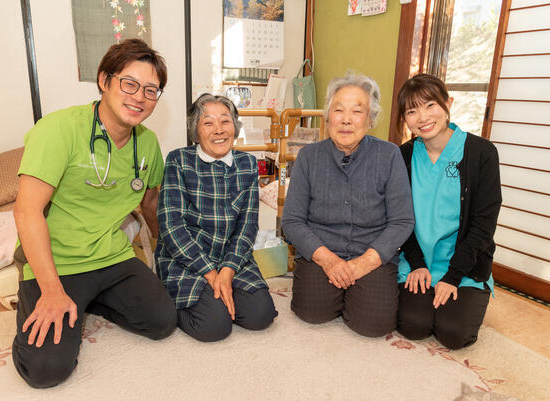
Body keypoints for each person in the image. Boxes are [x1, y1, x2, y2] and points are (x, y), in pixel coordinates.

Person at [12, 39, 177, 388]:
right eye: (129, 84)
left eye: (151, 90)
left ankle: (89, 301)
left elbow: (149, 205)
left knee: (162, 322)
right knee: (45, 370)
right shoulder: (59, 129)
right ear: (105, 80)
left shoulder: (147, 143)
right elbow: (27, 211)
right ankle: (55, 299)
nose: (139, 97)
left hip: (111, 256)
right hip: (57, 261)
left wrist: (169, 250)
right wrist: (52, 291)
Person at [281, 73, 415, 337]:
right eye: (338, 109)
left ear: (370, 118)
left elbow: (402, 221)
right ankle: (339, 290)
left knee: (373, 325)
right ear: (328, 116)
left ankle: (353, 292)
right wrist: (329, 260)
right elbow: (292, 221)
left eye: (357, 111)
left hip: (371, 252)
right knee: (311, 313)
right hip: (321, 252)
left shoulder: (389, 155)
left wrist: (363, 264)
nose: (346, 119)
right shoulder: (308, 157)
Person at [155, 93, 278, 342]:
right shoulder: (179, 161)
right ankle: (175, 302)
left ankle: (219, 297)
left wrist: (228, 270)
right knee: (214, 327)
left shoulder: (247, 163)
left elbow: (247, 225)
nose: (219, 130)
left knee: (261, 316)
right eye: (208, 123)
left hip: (231, 258)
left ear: (235, 126)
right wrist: (211, 273)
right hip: (186, 258)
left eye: (225, 121)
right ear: (195, 132)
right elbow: (171, 225)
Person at [395, 73, 501, 349]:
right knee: (413, 326)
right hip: (418, 261)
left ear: (448, 103)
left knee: (453, 333)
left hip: (464, 266)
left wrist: (453, 277)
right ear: (405, 118)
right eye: (412, 110)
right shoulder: (403, 156)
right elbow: (398, 217)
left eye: (430, 105)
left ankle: (468, 294)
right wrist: (416, 263)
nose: (423, 117)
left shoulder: (481, 153)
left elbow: (483, 224)